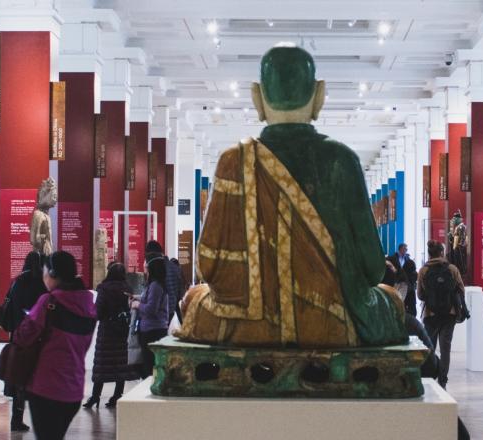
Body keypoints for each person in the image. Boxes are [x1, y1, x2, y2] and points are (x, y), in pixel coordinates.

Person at [175, 45, 407, 348]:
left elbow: (206, 264)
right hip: (333, 320)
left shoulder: (234, 160)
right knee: (390, 299)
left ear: (257, 99)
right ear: (319, 96)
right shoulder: (342, 161)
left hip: (248, 324)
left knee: (194, 298)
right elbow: (374, 267)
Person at [13, 251, 96, 440]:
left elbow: (23, 336)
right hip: (74, 389)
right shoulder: (88, 305)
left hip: (46, 387)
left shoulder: (49, 302)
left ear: (52, 273)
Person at [84, 262, 139, 409]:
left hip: (107, 330)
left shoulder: (104, 288)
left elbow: (99, 311)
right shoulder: (127, 288)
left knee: (102, 365)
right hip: (122, 330)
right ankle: (117, 395)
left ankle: (95, 396)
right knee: (120, 364)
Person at [3, 251, 47, 432]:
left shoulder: (17, 282)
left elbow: (10, 306)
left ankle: (16, 418)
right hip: (37, 338)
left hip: (19, 336)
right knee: (39, 378)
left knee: (19, 379)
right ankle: (42, 420)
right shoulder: (42, 285)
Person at [417, 240, 465, 389]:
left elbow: (420, 295)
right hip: (449, 314)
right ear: (442, 253)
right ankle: (443, 381)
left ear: (430, 254)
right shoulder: (452, 269)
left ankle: (430, 376)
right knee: (446, 348)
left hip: (430, 314)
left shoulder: (423, 270)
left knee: (430, 347)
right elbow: (461, 289)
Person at [130, 252, 169, 378]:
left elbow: (151, 309)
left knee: (150, 367)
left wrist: (137, 305)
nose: (143, 265)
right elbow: (148, 299)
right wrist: (138, 298)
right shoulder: (154, 284)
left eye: (145, 262)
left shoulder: (156, 286)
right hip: (151, 329)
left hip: (153, 331)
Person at [145, 240, 183, 323]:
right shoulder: (175, 267)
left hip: (159, 311)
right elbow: (180, 292)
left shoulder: (158, 268)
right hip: (171, 310)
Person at [387, 243, 418, 316]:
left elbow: (413, 274)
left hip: (407, 285)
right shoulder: (392, 258)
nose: (406, 250)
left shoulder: (409, 260)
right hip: (396, 284)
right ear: (400, 249)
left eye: (406, 249)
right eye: (405, 249)